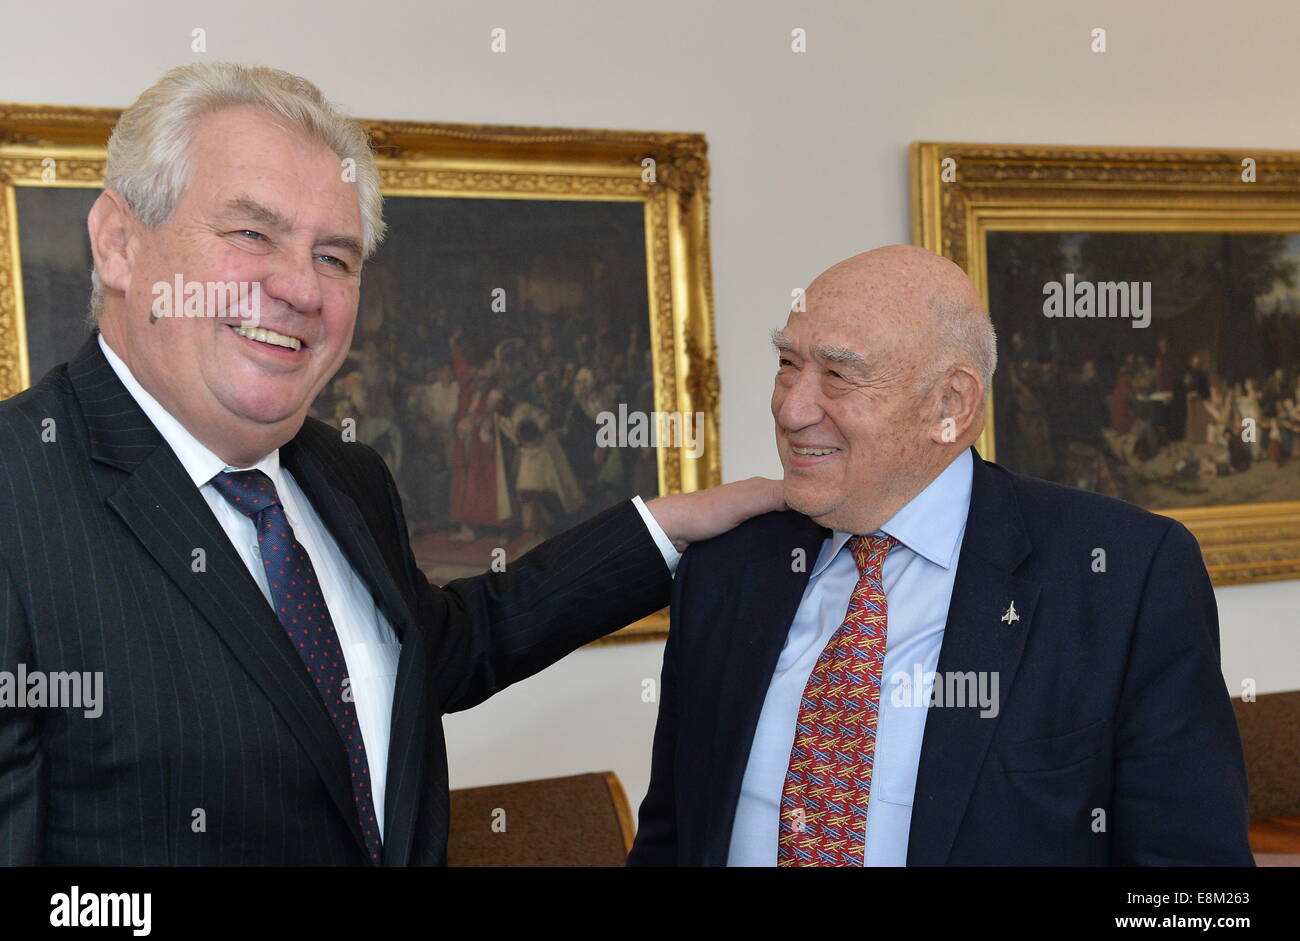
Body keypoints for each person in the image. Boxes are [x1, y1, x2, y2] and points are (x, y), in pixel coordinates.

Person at [0, 62, 782, 866]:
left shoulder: (344, 475)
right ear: (120, 243)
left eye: (335, 257)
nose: (302, 288)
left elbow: (442, 650)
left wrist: (666, 528)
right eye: (251, 234)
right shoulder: (16, 499)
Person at [629, 245, 1252, 867]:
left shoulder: (1122, 574)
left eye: (838, 375)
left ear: (950, 406)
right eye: (788, 364)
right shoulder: (727, 568)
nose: (791, 409)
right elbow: (669, 839)